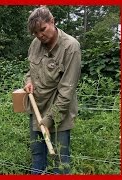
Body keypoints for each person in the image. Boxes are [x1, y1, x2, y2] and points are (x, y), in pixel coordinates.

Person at [23, 6, 81, 174]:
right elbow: (30, 71)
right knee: (37, 156)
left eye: (43, 29)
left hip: (59, 113)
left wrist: (50, 119)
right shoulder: (35, 44)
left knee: (60, 161)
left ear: (52, 21)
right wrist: (28, 81)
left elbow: (67, 90)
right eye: (36, 33)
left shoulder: (71, 47)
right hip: (37, 109)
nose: (40, 35)